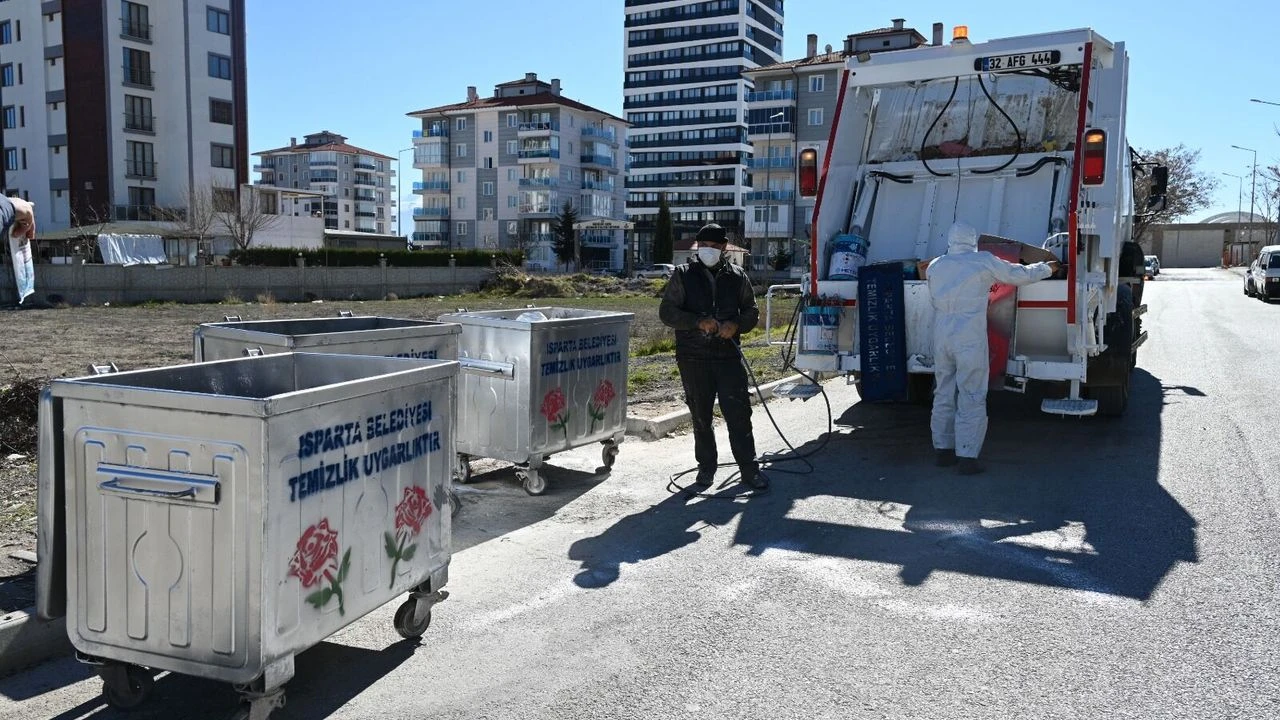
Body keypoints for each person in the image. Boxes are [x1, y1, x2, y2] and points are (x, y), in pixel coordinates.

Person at [927, 222, 1059, 475]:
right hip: (969, 337)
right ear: (972, 240)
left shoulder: (936, 266)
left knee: (943, 391)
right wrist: (1047, 268)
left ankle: (942, 451)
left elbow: (933, 299)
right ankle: (967, 455)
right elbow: (1018, 274)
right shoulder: (982, 261)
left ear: (951, 240)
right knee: (972, 393)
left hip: (942, 335)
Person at [658, 223, 765, 490]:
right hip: (693, 359)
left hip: (728, 358)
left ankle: (749, 470)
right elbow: (667, 312)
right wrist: (697, 322)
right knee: (701, 417)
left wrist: (737, 325)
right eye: (704, 246)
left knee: (739, 415)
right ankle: (706, 470)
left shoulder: (738, 276)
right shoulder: (683, 276)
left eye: (715, 247)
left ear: (724, 248)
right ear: (698, 246)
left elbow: (752, 311)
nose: (709, 251)